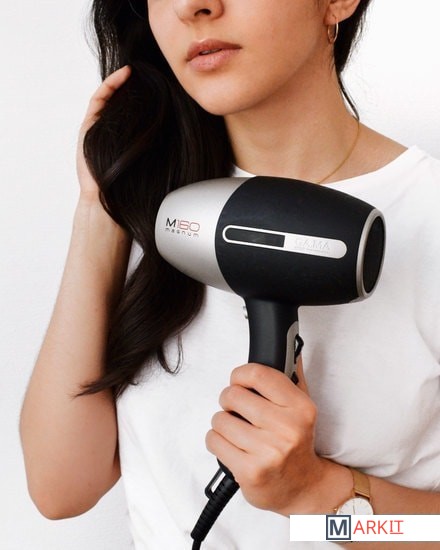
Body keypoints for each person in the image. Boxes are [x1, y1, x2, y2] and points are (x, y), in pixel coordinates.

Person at [20, 0, 440, 548]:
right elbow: (61, 491)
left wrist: (315, 496)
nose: (192, 6)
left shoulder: (428, 217)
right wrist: (100, 207)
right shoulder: (166, 215)